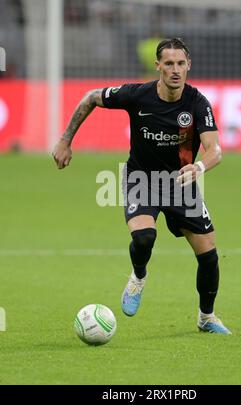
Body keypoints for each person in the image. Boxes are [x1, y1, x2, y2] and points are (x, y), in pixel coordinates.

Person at [53, 38, 231, 335]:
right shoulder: (138, 95)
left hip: (180, 184)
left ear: (189, 66)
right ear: (158, 66)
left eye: (181, 63)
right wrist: (65, 140)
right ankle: (138, 277)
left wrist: (198, 166)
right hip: (142, 180)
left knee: (209, 255)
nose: (176, 70)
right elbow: (90, 97)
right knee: (145, 237)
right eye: (169, 64)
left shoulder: (198, 103)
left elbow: (215, 150)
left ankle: (207, 317)